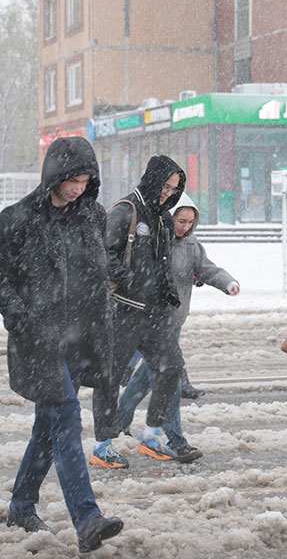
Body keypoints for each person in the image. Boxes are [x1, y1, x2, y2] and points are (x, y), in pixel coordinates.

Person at [0, 136, 123, 554]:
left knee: (49, 427)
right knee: (66, 420)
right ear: (54, 176)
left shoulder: (92, 217)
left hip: (82, 340)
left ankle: (22, 504)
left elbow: (98, 271)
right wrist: (22, 318)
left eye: (85, 180)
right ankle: (87, 518)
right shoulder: (18, 218)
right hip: (39, 341)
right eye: (72, 180)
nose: (78, 188)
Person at [116, 194, 239, 462]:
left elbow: (206, 269)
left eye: (189, 222)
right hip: (152, 322)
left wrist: (228, 283)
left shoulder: (191, 245)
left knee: (146, 378)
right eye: (180, 220)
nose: (184, 227)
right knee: (168, 381)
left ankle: (119, 420)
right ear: (169, 216)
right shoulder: (156, 242)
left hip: (174, 322)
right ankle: (176, 439)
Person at [92, 155, 186, 468]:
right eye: (166, 186)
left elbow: (163, 262)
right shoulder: (125, 211)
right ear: (153, 179)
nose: (169, 193)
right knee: (110, 377)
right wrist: (130, 280)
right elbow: (103, 254)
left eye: (174, 189)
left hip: (155, 314)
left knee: (172, 366)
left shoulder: (163, 218)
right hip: (124, 311)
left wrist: (167, 289)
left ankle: (151, 435)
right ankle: (102, 445)